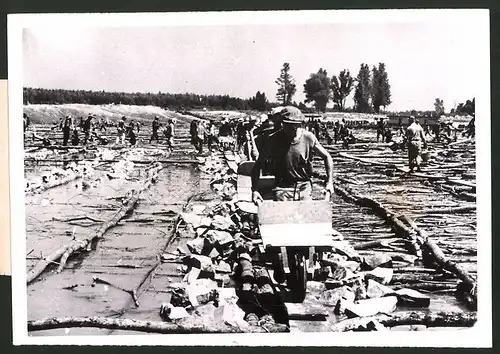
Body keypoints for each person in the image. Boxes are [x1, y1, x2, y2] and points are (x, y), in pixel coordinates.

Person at [251, 106, 334, 203]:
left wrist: (330, 181)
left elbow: (327, 156)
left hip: (304, 187)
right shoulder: (273, 140)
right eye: (290, 126)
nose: (294, 129)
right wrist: (255, 190)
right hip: (282, 188)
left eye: (296, 125)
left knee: (306, 215)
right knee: (283, 216)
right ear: (283, 124)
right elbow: (257, 166)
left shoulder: (308, 138)